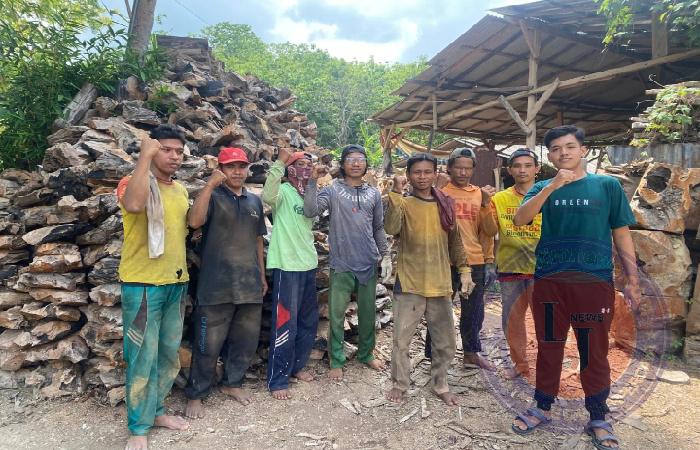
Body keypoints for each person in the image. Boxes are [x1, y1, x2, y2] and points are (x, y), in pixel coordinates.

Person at [511, 126, 640, 450]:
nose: (563, 153)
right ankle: (542, 406)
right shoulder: (542, 186)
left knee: (593, 350)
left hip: (593, 282)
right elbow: (520, 219)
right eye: (556, 149)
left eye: (570, 147)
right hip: (551, 282)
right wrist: (551, 186)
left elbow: (621, 233)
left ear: (583, 150)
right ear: (550, 156)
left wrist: (632, 280)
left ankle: (598, 415)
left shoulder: (607, 186)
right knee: (549, 344)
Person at [117, 124, 190, 450]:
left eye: (179, 151)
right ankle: (138, 427)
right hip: (142, 284)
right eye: (166, 149)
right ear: (152, 150)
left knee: (167, 355)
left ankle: (157, 411)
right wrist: (144, 157)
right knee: (141, 357)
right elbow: (134, 205)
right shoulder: (132, 183)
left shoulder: (180, 189)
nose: (174, 156)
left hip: (176, 281)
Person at [184, 147, 267, 419]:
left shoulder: (255, 201)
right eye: (230, 166)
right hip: (215, 285)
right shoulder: (213, 196)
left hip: (249, 284)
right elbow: (194, 221)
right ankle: (197, 393)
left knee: (245, 341)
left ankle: (232, 383)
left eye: (242, 166)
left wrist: (262, 276)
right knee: (207, 344)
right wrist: (209, 185)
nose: (237, 171)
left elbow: (257, 241)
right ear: (220, 168)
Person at [384, 152, 472, 406]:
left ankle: (440, 383)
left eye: (427, 172)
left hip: (440, 280)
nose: (422, 177)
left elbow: (455, 240)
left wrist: (464, 269)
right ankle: (400, 384)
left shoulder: (446, 203)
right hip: (410, 281)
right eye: (416, 172)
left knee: (445, 341)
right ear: (409, 175)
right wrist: (396, 193)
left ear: (436, 174)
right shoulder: (404, 202)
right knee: (401, 340)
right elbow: (391, 228)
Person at [303, 144, 391, 381]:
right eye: (350, 159)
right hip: (341, 262)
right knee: (337, 314)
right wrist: (312, 181)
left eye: (360, 159)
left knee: (368, 313)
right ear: (342, 164)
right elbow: (310, 211)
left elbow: (378, 227)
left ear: (365, 164)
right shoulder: (332, 191)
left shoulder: (373, 193)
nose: (355, 163)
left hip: (368, 261)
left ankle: (366, 354)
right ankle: (336, 359)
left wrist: (385, 254)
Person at [263, 147, 319, 400]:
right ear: (291, 169)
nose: (306, 168)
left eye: (309, 164)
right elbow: (267, 195)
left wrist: (314, 182)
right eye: (301, 164)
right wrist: (280, 162)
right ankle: (278, 379)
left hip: (308, 264)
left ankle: (296, 367)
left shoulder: (307, 192)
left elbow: (311, 213)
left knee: (307, 322)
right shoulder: (284, 191)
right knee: (285, 322)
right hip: (287, 265)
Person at [437, 147, 498, 370]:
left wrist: (485, 204)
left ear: (473, 169)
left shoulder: (480, 194)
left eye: (468, 168)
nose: (463, 172)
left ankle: (471, 353)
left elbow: (490, 231)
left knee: (473, 312)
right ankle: (434, 355)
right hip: (444, 259)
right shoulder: (441, 190)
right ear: (450, 168)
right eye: (458, 168)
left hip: (474, 260)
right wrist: (437, 189)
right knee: (438, 311)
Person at [489, 148, 542, 379]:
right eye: (517, 166)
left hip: (543, 269)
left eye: (528, 165)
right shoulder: (499, 199)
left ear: (536, 169)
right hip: (510, 267)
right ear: (509, 170)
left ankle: (547, 366)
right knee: (512, 321)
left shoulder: (547, 196)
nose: (522, 170)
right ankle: (520, 365)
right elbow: (489, 231)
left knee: (546, 322)